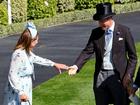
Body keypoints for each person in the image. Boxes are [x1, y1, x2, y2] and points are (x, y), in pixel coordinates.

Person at [68, 2, 137, 105]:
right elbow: (88, 51)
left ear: (109, 18)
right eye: (98, 21)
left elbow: (133, 57)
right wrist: (76, 66)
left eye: (101, 21)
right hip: (100, 75)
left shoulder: (124, 31)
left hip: (118, 76)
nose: (99, 24)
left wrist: (128, 76)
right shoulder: (96, 32)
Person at [3, 22, 68, 105]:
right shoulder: (18, 54)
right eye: (36, 40)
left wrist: (54, 64)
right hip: (17, 92)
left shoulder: (26, 52)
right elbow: (12, 75)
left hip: (25, 88)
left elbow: (37, 59)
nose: (37, 42)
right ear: (29, 40)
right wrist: (20, 92)